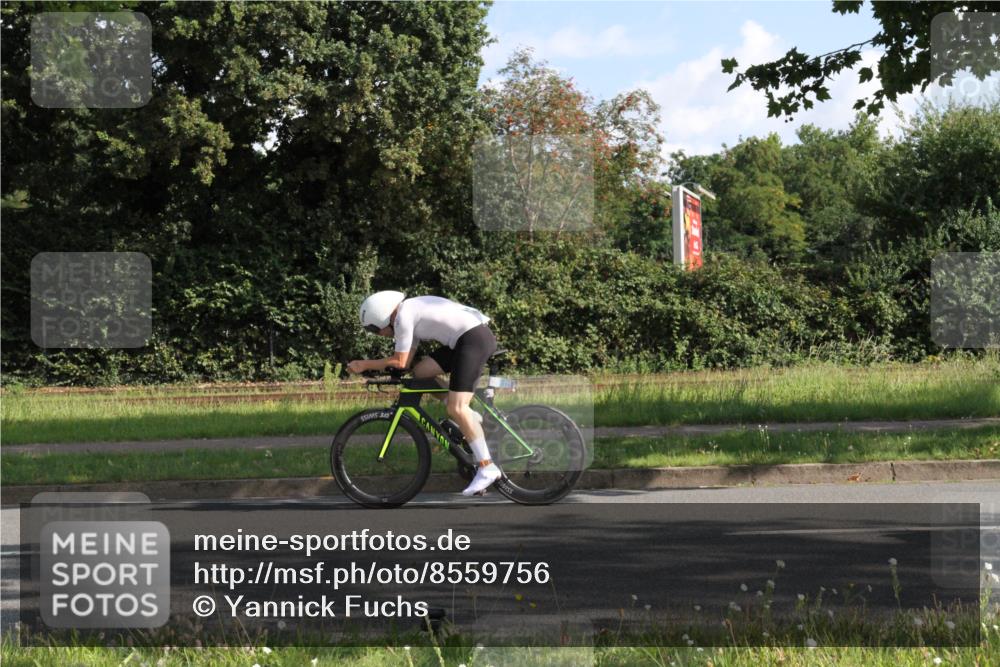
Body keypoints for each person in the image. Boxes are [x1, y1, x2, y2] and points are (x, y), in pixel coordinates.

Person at [347, 291, 501, 496]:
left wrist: (363, 364)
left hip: (472, 340)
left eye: (375, 330)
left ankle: (486, 466)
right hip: (467, 338)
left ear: (382, 318)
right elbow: (407, 364)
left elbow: (399, 361)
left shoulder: (403, 317)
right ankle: (470, 417)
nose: (379, 335)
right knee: (420, 373)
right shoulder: (409, 311)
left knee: (456, 408)